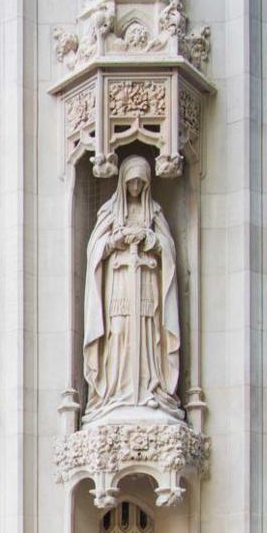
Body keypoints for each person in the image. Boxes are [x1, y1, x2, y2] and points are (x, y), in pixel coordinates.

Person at [81, 154, 181, 421]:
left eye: (140, 183)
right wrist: (114, 242)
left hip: (146, 282)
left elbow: (169, 248)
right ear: (123, 183)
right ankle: (116, 393)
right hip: (119, 284)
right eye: (131, 182)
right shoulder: (110, 212)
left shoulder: (154, 212)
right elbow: (94, 250)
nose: (135, 187)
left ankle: (149, 388)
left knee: (148, 333)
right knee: (119, 331)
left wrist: (151, 240)